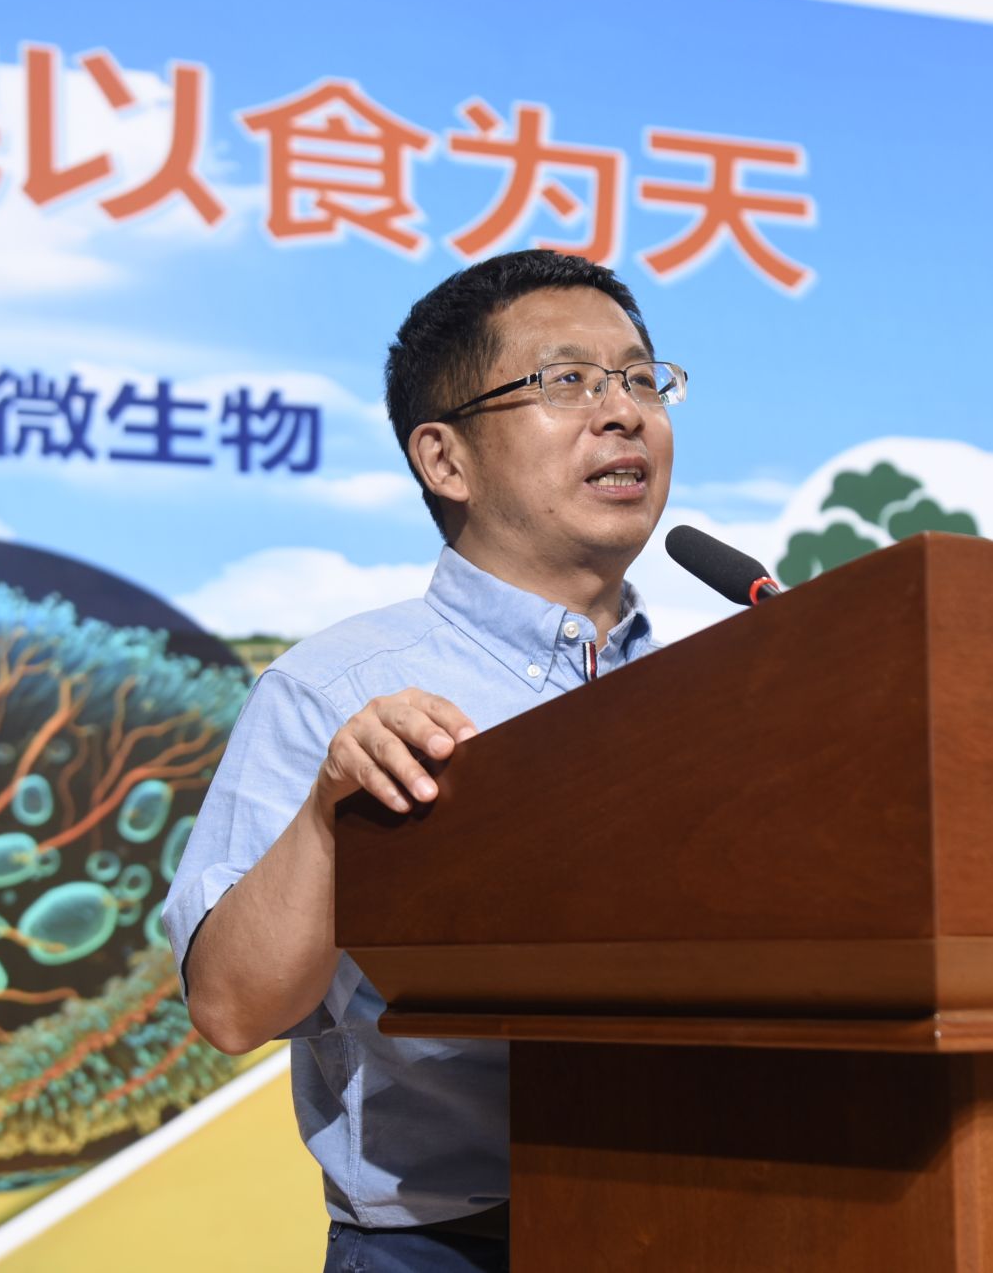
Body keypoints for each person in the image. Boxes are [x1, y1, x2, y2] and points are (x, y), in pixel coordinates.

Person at [161, 249, 683, 1273]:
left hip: (706, 1219)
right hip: (445, 1247)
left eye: (639, 377)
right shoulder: (336, 687)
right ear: (444, 460)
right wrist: (328, 814)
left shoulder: (717, 686)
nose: (622, 412)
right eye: (566, 380)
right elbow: (230, 1005)